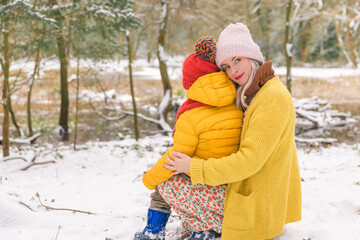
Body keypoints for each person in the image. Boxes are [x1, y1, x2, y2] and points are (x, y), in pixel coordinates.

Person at [163, 22, 302, 240]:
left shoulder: (272, 98)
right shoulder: (256, 92)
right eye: (226, 66)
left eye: (237, 60)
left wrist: (194, 166)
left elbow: (248, 161)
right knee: (178, 175)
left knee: (170, 185)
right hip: (256, 191)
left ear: (253, 57)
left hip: (258, 205)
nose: (233, 70)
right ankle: (202, 226)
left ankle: (206, 226)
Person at [135, 36, 243, 240]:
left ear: (191, 83)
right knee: (178, 178)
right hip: (235, 190)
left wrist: (150, 178)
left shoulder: (192, 116)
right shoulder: (238, 104)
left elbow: (176, 157)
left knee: (165, 182)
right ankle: (201, 228)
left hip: (214, 196)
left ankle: (156, 232)